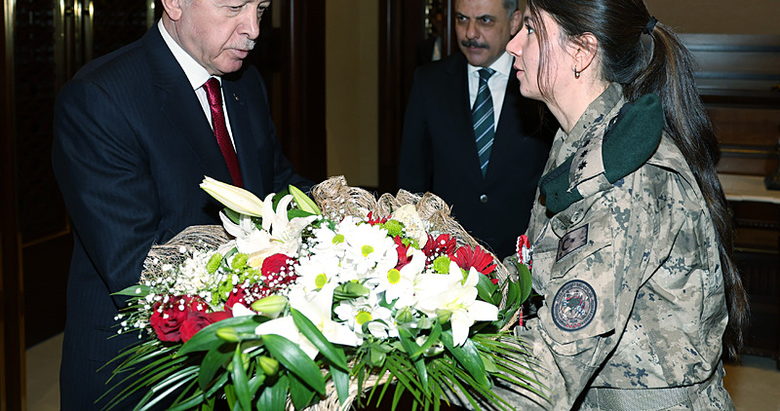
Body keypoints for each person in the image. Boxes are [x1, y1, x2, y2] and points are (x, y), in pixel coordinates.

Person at [484, 0, 750, 409]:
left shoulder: (624, 180)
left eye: (532, 28)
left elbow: (542, 381)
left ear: (582, 51)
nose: (514, 44)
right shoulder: (583, 143)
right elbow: (539, 273)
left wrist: (423, 372)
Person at [51, 0, 311, 409]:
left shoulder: (245, 82)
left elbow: (276, 190)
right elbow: (136, 267)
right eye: (234, 7)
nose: (254, 29)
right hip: (142, 374)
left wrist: (352, 224)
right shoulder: (100, 97)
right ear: (174, 2)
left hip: (243, 357)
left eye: (260, 9)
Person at [398, 0, 554, 259]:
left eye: (485, 21)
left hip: (524, 261)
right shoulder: (429, 82)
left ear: (514, 22)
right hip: (446, 260)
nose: (470, 33)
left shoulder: (540, 84)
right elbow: (412, 181)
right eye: (461, 19)